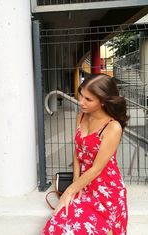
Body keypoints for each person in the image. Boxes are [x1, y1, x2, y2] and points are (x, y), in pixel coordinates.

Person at [41, 73, 129, 235]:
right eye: (81, 96)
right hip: (82, 182)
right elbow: (78, 151)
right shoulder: (81, 116)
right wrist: (75, 182)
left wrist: (69, 191)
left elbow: (96, 169)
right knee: (56, 227)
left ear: (102, 101)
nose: (81, 102)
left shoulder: (112, 127)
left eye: (88, 99)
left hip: (106, 189)